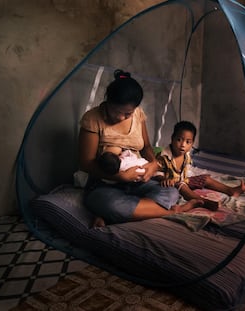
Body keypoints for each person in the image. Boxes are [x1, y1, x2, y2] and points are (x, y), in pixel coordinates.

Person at [78, 70, 202, 226]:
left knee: (170, 192)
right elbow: (86, 163)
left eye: (128, 114)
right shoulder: (92, 119)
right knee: (111, 204)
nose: (122, 117)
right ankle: (171, 211)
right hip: (105, 183)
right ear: (108, 101)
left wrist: (153, 165)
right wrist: (120, 177)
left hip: (137, 180)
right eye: (117, 112)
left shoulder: (138, 115)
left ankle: (115, 214)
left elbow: (146, 147)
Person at [156, 121, 245, 211]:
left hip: (184, 180)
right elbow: (156, 172)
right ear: (172, 138)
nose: (183, 145)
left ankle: (230, 190)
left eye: (188, 142)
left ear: (192, 144)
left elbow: (186, 172)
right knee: (181, 185)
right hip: (170, 185)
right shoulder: (164, 156)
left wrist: (191, 180)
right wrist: (163, 179)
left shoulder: (186, 155)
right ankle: (203, 202)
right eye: (179, 140)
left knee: (205, 178)